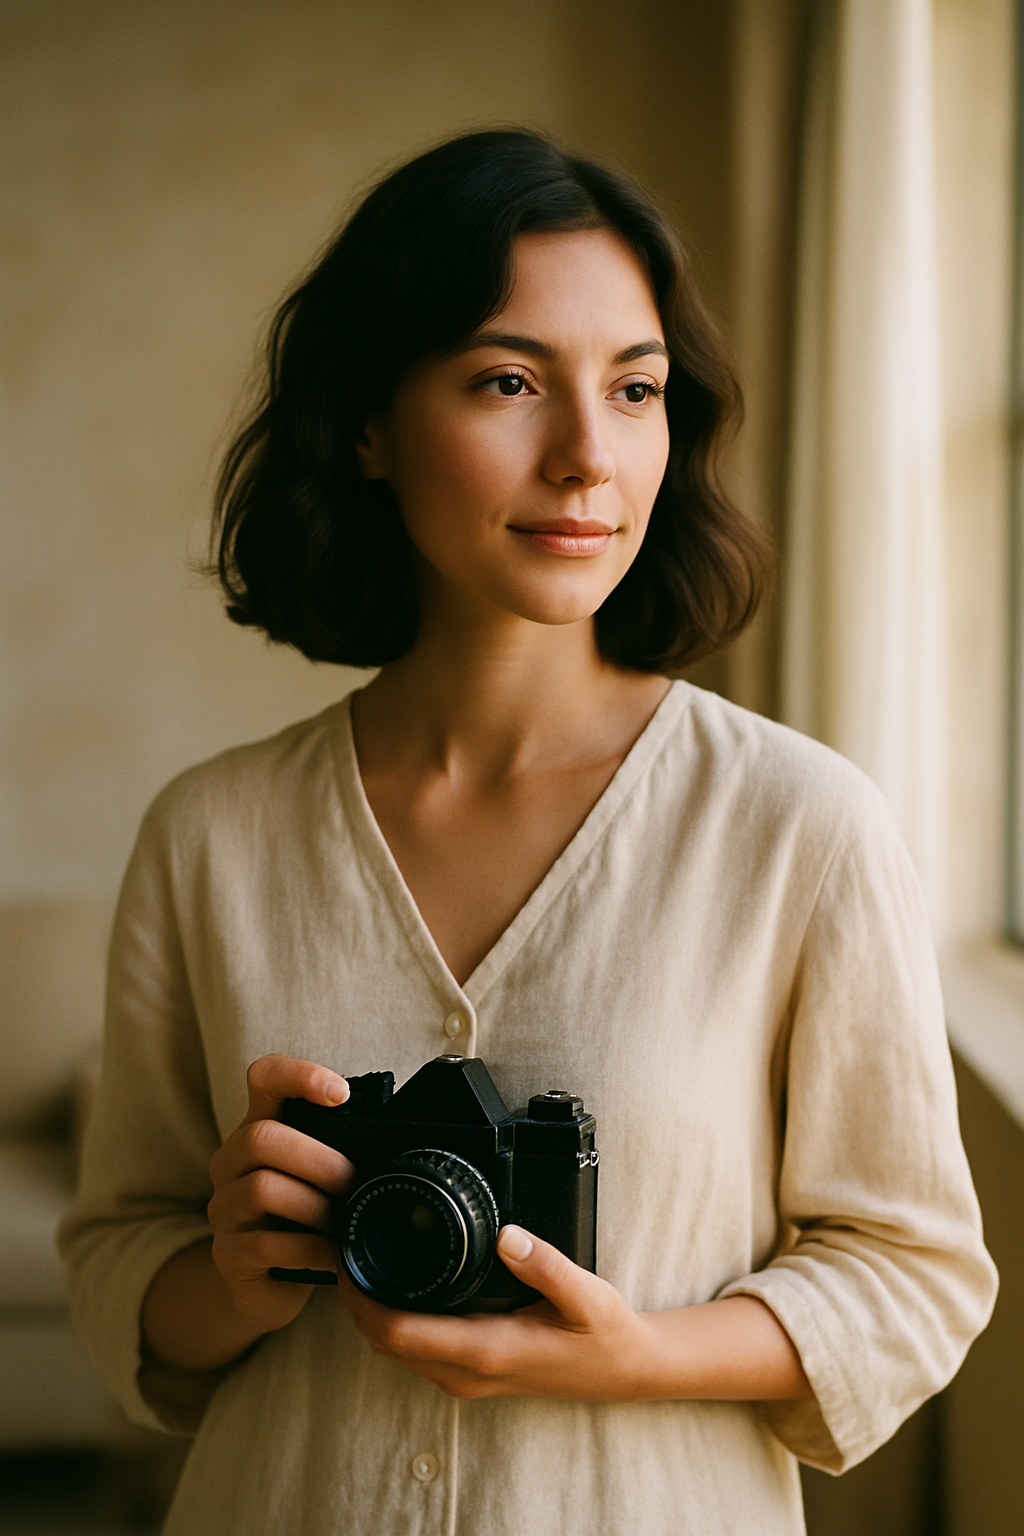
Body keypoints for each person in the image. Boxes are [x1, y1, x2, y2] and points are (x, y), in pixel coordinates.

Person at [59, 129, 997, 1536]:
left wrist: (645, 1356)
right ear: (368, 424)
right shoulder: (212, 836)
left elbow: (916, 1274)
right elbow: (122, 1261)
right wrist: (226, 1276)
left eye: (635, 389)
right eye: (508, 382)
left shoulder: (798, 824)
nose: (586, 457)